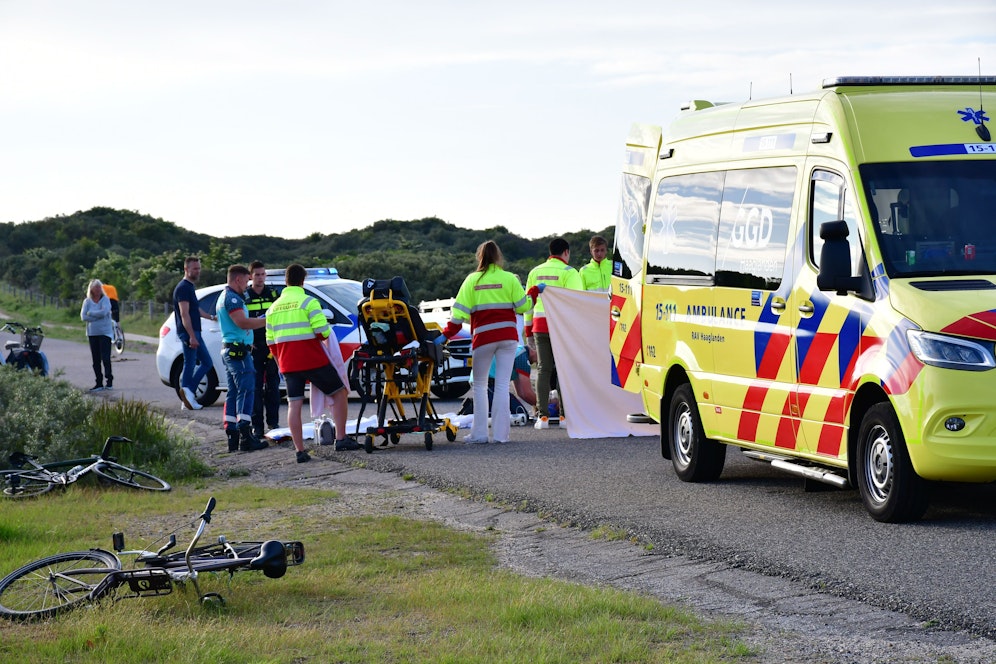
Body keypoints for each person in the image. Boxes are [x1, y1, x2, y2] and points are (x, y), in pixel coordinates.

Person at [438, 240, 532, 444]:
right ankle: (501, 436)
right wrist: (533, 293)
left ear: (479, 257)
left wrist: (444, 336)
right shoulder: (509, 278)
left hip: (484, 338)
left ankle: (479, 435)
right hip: (508, 339)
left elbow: (458, 316)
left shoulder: (472, 280)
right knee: (502, 386)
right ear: (498, 257)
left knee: (480, 386)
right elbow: (523, 307)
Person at [267, 263, 359, 463]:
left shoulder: (272, 309)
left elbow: (271, 343)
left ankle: (300, 451)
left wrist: (281, 363)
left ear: (286, 281)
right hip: (312, 360)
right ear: (303, 280)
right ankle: (341, 438)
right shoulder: (309, 302)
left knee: (294, 405)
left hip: (288, 363)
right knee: (340, 392)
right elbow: (323, 332)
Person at [524, 237, 582, 430]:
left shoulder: (535, 272)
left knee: (543, 369)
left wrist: (528, 330)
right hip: (562, 327)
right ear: (566, 252)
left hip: (540, 325)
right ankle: (564, 417)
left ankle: (543, 417)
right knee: (563, 370)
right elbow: (577, 302)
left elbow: (528, 304)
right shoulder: (570, 272)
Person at [217, 264, 269, 453]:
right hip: (238, 353)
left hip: (234, 349)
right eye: (246, 281)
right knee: (246, 391)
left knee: (233, 392)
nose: (247, 285)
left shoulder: (227, 296)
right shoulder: (232, 298)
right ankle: (246, 436)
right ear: (238, 279)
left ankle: (233, 434)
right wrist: (267, 320)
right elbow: (242, 322)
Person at [173, 256, 216, 411]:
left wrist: (212, 317)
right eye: (195, 269)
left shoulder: (189, 287)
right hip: (189, 332)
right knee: (192, 363)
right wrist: (191, 336)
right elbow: (184, 313)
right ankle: (188, 393)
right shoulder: (183, 288)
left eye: (199, 268)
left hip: (194, 331)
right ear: (186, 269)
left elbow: (195, 309)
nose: (198, 271)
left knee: (202, 363)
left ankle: (187, 396)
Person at [245, 260, 281, 439]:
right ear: (251, 277)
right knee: (255, 388)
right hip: (254, 346)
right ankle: (257, 427)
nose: (260, 278)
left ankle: (273, 424)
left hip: (271, 345)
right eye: (257, 275)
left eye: (262, 274)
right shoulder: (245, 296)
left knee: (273, 387)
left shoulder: (273, 294)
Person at [80, 279, 113, 391]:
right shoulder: (87, 302)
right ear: (91, 289)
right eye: (96, 288)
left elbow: (104, 312)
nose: (98, 290)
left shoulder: (105, 300)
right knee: (96, 359)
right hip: (92, 333)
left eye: (99, 287)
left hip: (105, 332)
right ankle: (98, 382)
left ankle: (109, 381)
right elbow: (83, 316)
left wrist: (91, 313)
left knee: (106, 358)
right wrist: (97, 317)